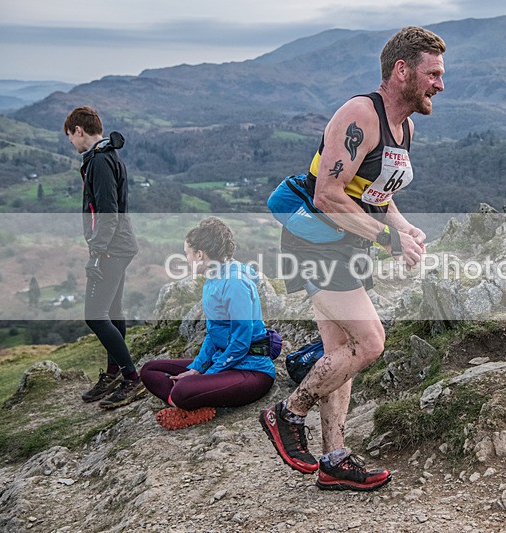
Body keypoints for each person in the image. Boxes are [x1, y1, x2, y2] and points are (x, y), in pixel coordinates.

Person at [260, 26, 445, 491]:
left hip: (348, 242)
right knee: (370, 343)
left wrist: (403, 229)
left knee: (339, 352)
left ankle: (334, 458)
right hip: (316, 241)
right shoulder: (360, 113)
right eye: (433, 74)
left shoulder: (406, 127)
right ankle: (287, 412)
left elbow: (378, 195)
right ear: (402, 71)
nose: (440, 84)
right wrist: (388, 241)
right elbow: (327, 195)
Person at [141, 217, 279, 430]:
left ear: (200, 254)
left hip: (252, 371)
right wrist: (197, 368)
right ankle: (193, 404)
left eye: (187, 253)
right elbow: (213, 333)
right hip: (225, 360)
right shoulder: (213, 279)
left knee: (182, 390)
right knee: (150, 370)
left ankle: (188, 402)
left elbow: (241, 342)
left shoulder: (235, 284)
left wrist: (210, 372)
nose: (186, 258)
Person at [65, 106, 142, 409]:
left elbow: (107, 212)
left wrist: (96, 253)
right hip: (119, 244)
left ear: (79, 131)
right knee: (112, 309)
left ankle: (132, 378)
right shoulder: (107, 155)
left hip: (112, 248)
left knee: (95, 315)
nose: (70, 142)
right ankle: (114, 373)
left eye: (70, 136)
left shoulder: (99, 161)